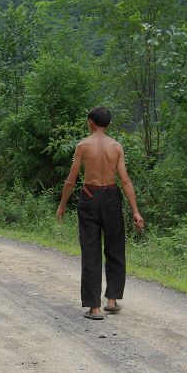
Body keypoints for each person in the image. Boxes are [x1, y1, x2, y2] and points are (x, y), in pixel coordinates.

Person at [56, 107, 144, 320]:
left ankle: (94, 308)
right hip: (112, 197)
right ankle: (112, 301)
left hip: (89, 196)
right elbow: (125, 181)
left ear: (90, 122)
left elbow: (71, 179)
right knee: (115, 248)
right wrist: (135, 211)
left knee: (90, 251)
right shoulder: (116, 147)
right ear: (108, 124)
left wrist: (62, 205)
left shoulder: (83, 146)